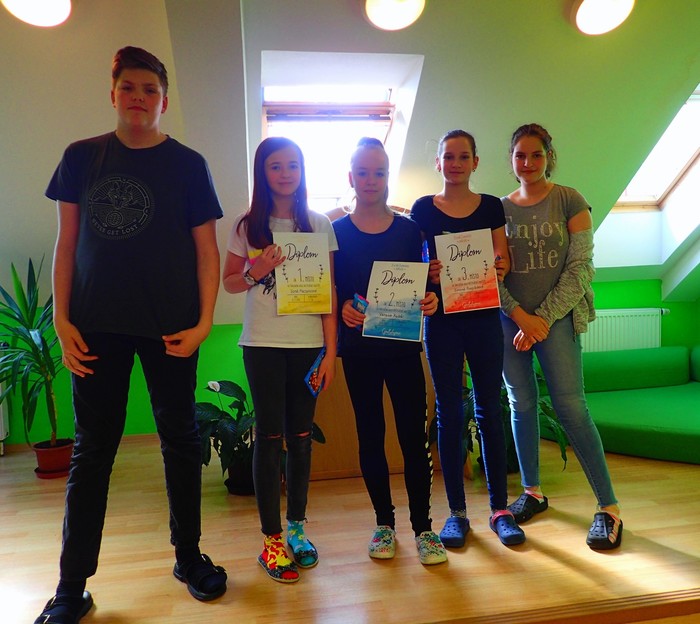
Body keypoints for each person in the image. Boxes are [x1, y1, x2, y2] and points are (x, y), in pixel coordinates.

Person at [38, 46, 227, 623]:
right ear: (113, 93)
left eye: (150, 90)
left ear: (164, 101)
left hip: (172, 327)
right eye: (129, 87)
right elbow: (66, 244)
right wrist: (61, 319)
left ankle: (188, 556)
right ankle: (71, 586)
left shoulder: (189, 164)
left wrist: (204, 323)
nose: (139, 98)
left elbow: (206, 251)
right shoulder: (81, 157)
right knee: (92, 450)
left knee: (180, 440)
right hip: (95, 326)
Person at [499, 123, 622, 550]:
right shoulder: (499, 209)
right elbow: (490, 274)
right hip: (511, 323)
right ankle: (532, 492)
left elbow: (581, 267)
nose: (528, 163)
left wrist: (542, 320)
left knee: (571, 408)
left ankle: (609, 507)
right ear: (511, 159)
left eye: (536, 154)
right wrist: (520, 317)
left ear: (549, 156)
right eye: (520, 155)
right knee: (521, 404)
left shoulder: (570, 200)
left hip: (557, 322)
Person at [223, 136, 338, 583]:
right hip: (263, 346)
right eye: (276, 165)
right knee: (269, 439)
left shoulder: (319, 223)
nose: (286, 173)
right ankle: (271, 540)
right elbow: (230, 283)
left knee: (302, 438)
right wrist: (258, 270)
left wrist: (330, 352)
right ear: (263, 172)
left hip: (308, 347)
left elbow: (329, 293)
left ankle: (297, 530)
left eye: (293, 164)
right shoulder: (247, 226)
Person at [332, 138, 447, 565]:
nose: (370, 180)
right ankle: (384, 524)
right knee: (371, 435)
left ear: (387, 177)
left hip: (402, 351)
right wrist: (342, 308)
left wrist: (431, 300)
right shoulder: (337, 232)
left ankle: (423, 528)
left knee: (413, 439)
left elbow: (425, 283)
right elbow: (333, 290)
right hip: (359, 352)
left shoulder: (410, 230)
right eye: (362, 172)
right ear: (351, 177)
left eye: (378, 172)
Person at [411, 129, 524, 548]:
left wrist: (499, 266)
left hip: (482, 320)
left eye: (463, 157)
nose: (456, 164)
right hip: (441, 321)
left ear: (475, 162)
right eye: (449, 157)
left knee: (489, 409)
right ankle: (457, 513)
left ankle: (499, 510)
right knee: (448, 414)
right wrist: (427, 270)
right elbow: (413, 262)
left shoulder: (491, 206)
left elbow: (503, 257)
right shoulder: (422, 208)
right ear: (438, 162)